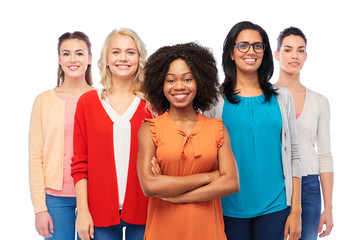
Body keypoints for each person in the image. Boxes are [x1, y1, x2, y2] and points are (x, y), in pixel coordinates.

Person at [205, 21, 302, 240]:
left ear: (265, 52)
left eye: (258, 46)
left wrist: (296, 210)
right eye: (243, 45)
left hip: (275, 207)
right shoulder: (215, 100)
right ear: (231, 52)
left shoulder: (282, 97)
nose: (251, 51)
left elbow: (294, 153)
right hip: (227, 207)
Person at [137, 42, 239, 240]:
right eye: (170, 80)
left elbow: (231, 183)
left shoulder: (217, 128)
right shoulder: (149, 129)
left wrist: (173, 194)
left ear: (200, 81)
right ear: (160, 84)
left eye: (187, 79)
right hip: (163, 231)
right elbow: (149, 186)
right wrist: (210, 177)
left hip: (208, 231)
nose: (179, 86)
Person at [71, 28, 151, 240]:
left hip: (146, 212)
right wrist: (83, 211)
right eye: (116, 52)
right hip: (97, 214)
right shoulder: (87, 103)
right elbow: (80, 163)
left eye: (130, 52)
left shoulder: (153, 104)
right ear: (106, 59)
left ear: (140, 58)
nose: (123, 58)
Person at [29, 31, 94, 239]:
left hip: (94, 194)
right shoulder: (43, 101)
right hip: (55, 197)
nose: (72, 59)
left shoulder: (101, 98)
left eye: (79, 53)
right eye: (66, 54)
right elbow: (35, 157)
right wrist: (40, 208)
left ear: (90, 58)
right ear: (59, 59)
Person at [274, 27, 334, 239]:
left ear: (306, 56)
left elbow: (324, 155)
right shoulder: (266, 97)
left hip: (309, 186)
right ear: (277, 54)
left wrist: (328, 208)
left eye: (300, 50)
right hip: (275, 183)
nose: (294, 55)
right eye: (288, 50)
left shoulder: (319, 102)